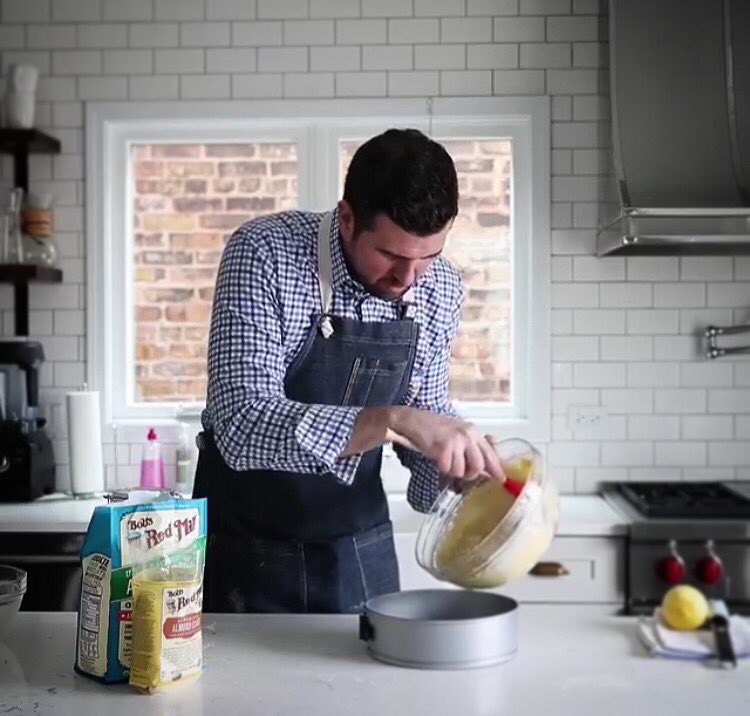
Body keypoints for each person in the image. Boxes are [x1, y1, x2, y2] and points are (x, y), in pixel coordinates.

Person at [193, 128, 504, 614]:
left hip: (361, 549)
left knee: (375, 688)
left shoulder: (438, 286)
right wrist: (391, 420)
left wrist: (454, 472)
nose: (408, 279)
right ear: (346, 218)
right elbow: (240, 423)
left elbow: (424, 427)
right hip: (248, 550)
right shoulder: (265, 253)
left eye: (429, 257)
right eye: (391, 256)